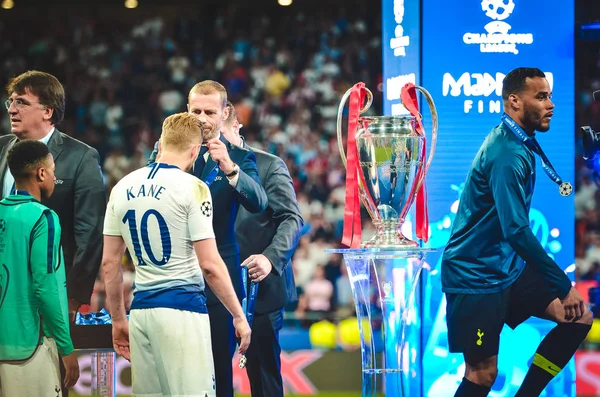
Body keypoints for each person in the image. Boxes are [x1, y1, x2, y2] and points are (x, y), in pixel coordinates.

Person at [441, 67, 593, 397]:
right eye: (541, 97)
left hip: (506, 268)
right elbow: (516, 230)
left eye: (550, 96)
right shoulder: (507, 153)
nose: (550, 104)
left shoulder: (518, 142)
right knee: (482, 374)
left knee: (578, 318)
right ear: (514, 102)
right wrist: (562, 285)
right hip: (475, 276)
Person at [102, 112, 252, 396]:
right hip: (182, 311)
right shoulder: (192, 187)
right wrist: (238, 315)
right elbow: (209, 264)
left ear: (160, 143)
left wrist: (119, 320)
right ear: (195, 151)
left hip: (141, 312)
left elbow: (110, 264)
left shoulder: (122, 187)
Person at [148, 81, 267, 397]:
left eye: (209, 111)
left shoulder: (240, 158)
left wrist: (229, 168)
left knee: (218, 376)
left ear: (225, 113)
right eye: (195, 110)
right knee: (171, 375)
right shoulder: (164, 153)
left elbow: (259, 203)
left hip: (218, 284)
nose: (201, 117)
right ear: (187, 109)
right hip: (172, 278)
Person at [1, 71, 105, 395]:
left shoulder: (80, 157)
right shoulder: (2, 148)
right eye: (11, 101)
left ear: (48, 111)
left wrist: (71, 300)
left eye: (22, 102)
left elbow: (90, 235)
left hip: (48, 303)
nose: (12, 109)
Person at [222, 102, 303, 397]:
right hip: (214, 289)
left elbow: (292, 218)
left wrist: (270, 259)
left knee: (264, 380)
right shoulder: (197, 170)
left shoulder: (268, 165)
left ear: (235, 125)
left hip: (260, 292)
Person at [0, 140, 79, 397]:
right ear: (41, 173)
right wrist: (66, 349)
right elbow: (46, 289)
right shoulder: (44, 218)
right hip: (28, 346)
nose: (55, 177)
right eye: (53, 171)